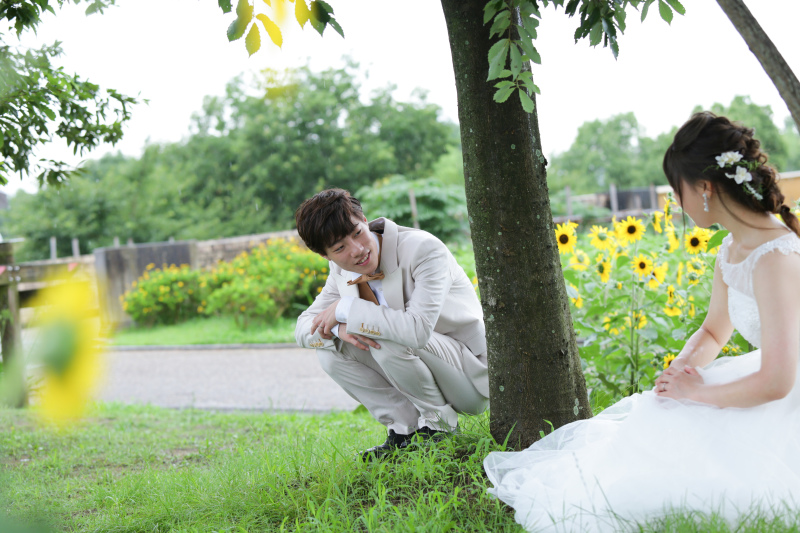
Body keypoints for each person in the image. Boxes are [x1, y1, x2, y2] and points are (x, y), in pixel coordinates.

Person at [484, 112, 800, 531]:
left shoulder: (775, 258)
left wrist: (697, 393)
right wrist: (682, 371)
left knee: (698, 459)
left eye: (677, 189)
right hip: (768, 378)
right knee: (661, 419)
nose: (676, 200)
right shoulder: (732, 249)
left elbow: (778, 382)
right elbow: (712, 330)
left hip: (786, 396)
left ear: (704, 188)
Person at [294, 188, 489, 460]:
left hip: (470, 375)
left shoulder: (423, 249)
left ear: (363, 218)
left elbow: (417, 331)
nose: (358, 250)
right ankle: (405, 432)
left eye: (358, 232)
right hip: (425, 366)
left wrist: (346, 308)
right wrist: (338, 329)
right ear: (326, 256)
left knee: (381, 332)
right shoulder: (340, 270)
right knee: (330, 352)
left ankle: (440, 428)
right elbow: (303, 327)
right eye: (340, 248)